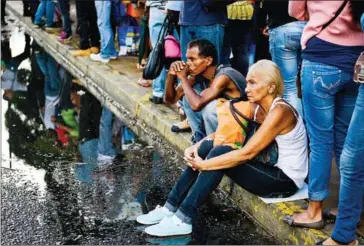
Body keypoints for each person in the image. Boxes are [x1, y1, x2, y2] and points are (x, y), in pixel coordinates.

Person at [136, 59, 308, 237]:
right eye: (247, 82)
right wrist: (197, 146)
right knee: (210, 146)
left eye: (253, 83)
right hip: (266, 169)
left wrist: (205, 165)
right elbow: (226, 133)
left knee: (219, 152)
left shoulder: (281, 111)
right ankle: (170, 207)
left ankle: (183, 219)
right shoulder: (255, 107)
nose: (246, 88)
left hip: (284, 181)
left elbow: (246, 153)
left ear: (271, 87)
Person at [285, 0, 364, 230]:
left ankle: (314, 210)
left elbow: (295, 11)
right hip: (356, 62)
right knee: (346, 142)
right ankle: (350, 209)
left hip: (322, 58)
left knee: (320, 142)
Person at [164, 39, 247, 143]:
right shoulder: (198, 74)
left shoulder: (224, 76)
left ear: (208, 61)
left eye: (192, 59)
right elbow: (170, 99)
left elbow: (196, 105)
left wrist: (183, 78)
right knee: (188, 95)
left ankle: (212, 146)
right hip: (224, 122)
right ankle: (199, 140)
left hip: (242, 126)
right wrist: (171, 74)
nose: (188, 64)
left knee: (209, 107)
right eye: (187, 59)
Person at [258, 1, 306, 117]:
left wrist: (261, 23)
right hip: (307, 28)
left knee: (289, 87)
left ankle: (295, 126)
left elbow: (265, 4)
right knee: (305, 83)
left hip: (282, 28)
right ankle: (306, 126)